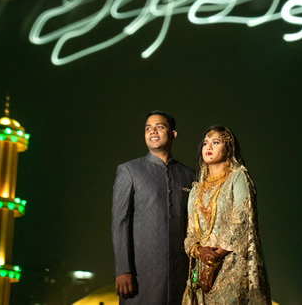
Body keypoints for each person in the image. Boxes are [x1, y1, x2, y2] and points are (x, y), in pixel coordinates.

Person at [112, 111, 196, 304]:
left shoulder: (190, 176)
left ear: (173, 134)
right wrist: (122, 269)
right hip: (140, 274)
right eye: (148, 128)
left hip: (180, 275)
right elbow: (120, 223)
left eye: (160, 126)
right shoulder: (129, 171)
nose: (153, 131)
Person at [182, 125, 270, 305]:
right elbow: (190, 235)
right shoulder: (195, 190)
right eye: (206, 143)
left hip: (232, 267)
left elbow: (241, 220)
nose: (209, 147)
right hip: (204, 274)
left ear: (228, 149)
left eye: (216, 143)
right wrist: (200, 252)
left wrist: (215, 257)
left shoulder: (237, 178)